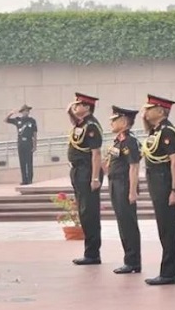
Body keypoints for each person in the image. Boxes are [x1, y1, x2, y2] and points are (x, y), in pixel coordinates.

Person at [140, 94, 175, 285]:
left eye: (149, 108)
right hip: (156, 180)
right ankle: (170, 271)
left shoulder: (167, 131)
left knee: (167, 229)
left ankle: (169, 273)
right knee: (163, 227)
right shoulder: (156, 130)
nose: (145, 111)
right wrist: (144, 119)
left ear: (160, 111)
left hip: (165, 181)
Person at [66, 92, 104, 265]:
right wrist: (70, 110)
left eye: (79, 104)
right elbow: (73, 119)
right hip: (77, 171)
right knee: (83, 212)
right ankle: (89, 252)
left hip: (88, 172)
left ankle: (93, 254)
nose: (76, 106)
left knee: (89, 213)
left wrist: (95, 178)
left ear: (87, 107)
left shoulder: (92, 126)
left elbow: (96, 154)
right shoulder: (81, 124)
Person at [104, 106, 142, 274]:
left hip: (124, 184)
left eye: (115, 119)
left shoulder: (129, 141)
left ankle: (133, 261)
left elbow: (134, 167)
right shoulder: (118, 140)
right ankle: (129, 259)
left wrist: (132, 191)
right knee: (122, 222)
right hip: (114, 183)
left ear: (124, 122)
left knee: (128, 223)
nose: (111, 122)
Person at [4, 105, 38, 185]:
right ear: (22, 112)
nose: (26, 112)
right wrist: (10, 113)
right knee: (22, 162)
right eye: (25, 111)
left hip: (28, 142)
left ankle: (29, 179)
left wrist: (35, 145)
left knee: (29, 162)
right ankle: (24, 180)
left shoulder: (32, 120)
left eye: (27, 111)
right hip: (21, 143)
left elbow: (35, 133)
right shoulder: (18, 120)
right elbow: (5, 120)